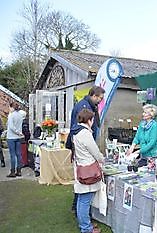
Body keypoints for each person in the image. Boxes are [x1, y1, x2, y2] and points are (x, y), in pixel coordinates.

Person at [66, 85, 105, 215]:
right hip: (85, 154)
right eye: (100, 98)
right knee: (84, 189)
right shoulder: (84, 108)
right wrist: (99, 157)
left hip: (82, 150)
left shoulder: (86, 105)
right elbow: (92, 149)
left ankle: (79, 211)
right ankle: (83, 218)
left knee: (82, 187)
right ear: (93, 95)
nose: (101, 100)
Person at [72, 109, 104, 233]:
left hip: (81, 166)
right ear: (89, 120)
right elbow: (94, 151)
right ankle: (86, 228)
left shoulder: (76, 130)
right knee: (85, 200)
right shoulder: (84, 133)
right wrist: (102, 159)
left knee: (82, 199)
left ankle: (86, 225)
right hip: (88, 169)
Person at [6, 102, 24, 177]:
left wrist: (17, 132)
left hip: (11, 137)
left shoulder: (11, 115)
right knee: (18, 154)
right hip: (18, 137)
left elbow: (11, 127)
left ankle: (12, 172)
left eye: (9, 107)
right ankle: (19, 171)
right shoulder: (20, 115)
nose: (9, 109)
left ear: (12, 108)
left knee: (12, 155)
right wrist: (19, 133)